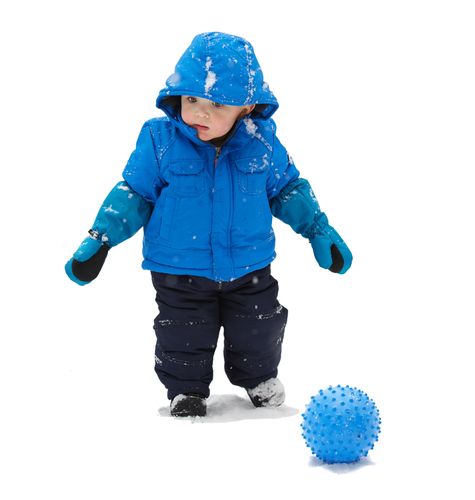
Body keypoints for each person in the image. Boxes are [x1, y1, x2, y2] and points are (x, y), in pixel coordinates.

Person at [65, 32, 352, 417]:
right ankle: (186, 390)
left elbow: (287, 189)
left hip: (249, 265)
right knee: (183, 332)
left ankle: (258, 377)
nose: (199, 112)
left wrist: (318, 231)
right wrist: (101, 239)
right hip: (178, 269)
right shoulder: (160, 140)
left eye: (216, 103)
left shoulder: (262, 142)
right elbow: (134, 194)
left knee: (259, 327)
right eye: (191, 100)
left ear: (247, 107)